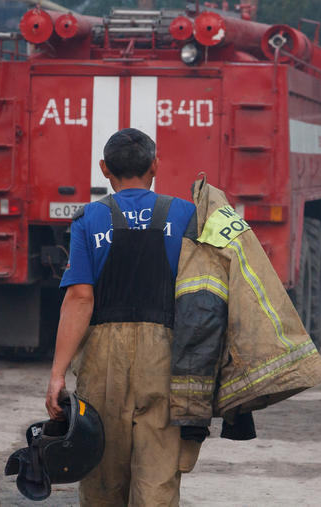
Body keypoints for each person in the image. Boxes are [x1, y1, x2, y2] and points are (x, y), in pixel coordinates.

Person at [45, 128, 196, 507]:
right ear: (155, 166)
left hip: (104, 361)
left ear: (104, 169)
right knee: (158, 476)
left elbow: (80, 298)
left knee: (102, 476)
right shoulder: (185, 213)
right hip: (165, 355)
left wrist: (57, 374)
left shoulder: (89, 218)